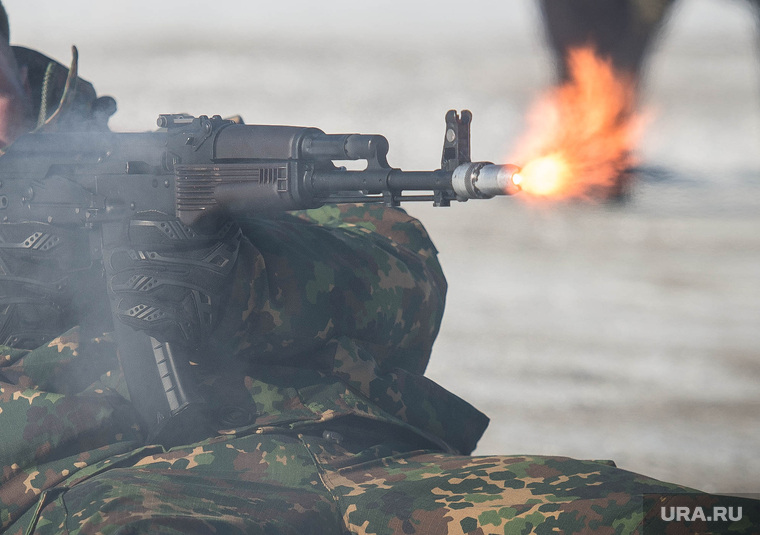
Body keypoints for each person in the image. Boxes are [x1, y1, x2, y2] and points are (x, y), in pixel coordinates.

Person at [0, 4, 757, 534]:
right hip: (98, 503)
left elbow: (405, 277)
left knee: (676, 517)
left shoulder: (126, 167)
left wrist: (245, 277)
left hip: (348, 470)